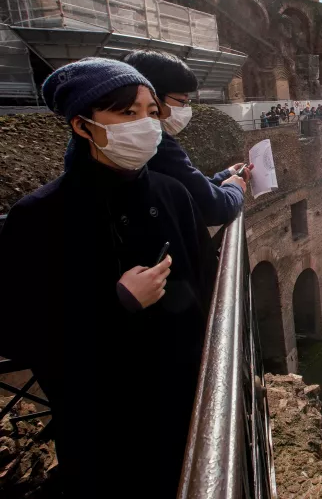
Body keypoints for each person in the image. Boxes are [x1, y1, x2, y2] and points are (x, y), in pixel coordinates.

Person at [0, 58, 217, 498]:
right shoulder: (38, 217)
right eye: (126, 113)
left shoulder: (172, 194)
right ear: (82, 126)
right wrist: (116, 302)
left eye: (151, 112)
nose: (145, 124)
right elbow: (18, 333)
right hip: (102, 419)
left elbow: (208, 288)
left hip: (183, 401)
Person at [121, 51, 249, 227]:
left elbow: (188, 186)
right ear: (154, 97)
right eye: (182, 102)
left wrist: (226, 175)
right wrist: (235, 187)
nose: (187, 109)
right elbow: (214, 208)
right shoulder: (154, 144)